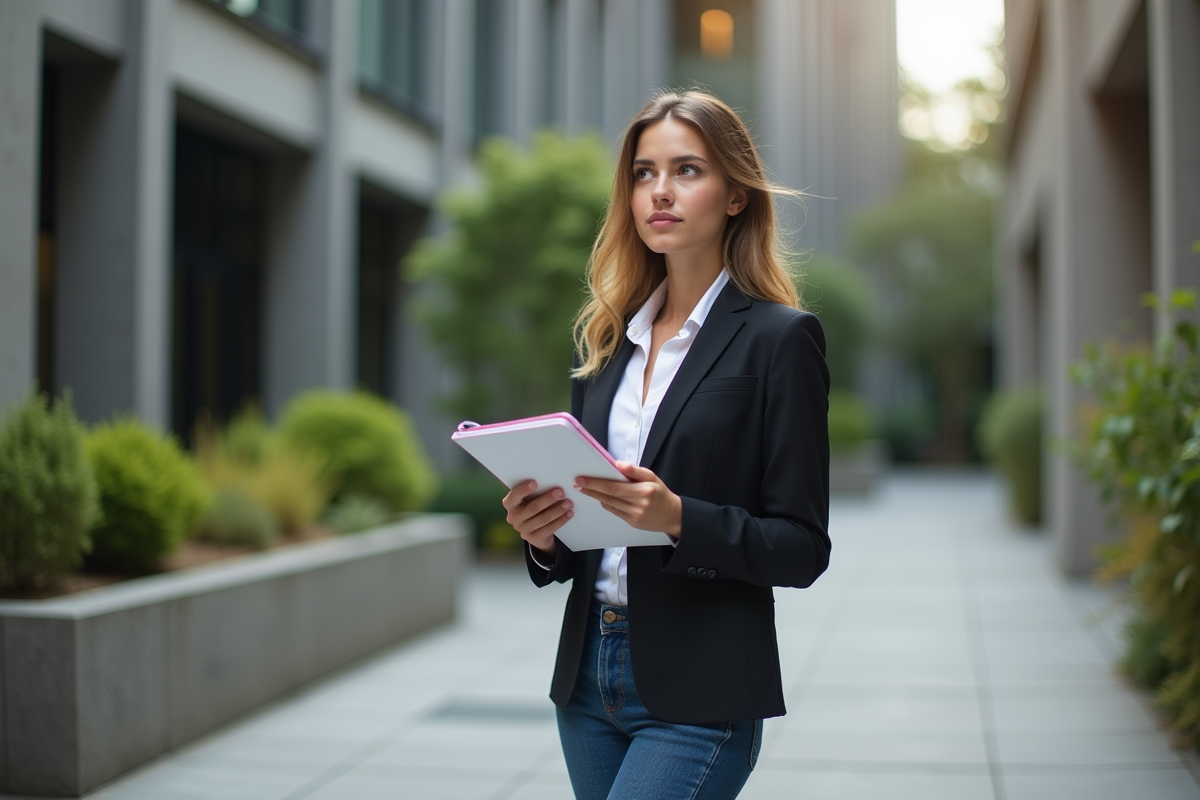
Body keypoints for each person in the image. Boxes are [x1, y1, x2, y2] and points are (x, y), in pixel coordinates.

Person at [502, 89, 830, 800]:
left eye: (687, 170)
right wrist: (544, 537)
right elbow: (586, 532)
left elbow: (803, 547)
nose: (660, 192)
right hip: (588, 678)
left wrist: (677, 519)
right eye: (644, 173)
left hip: (701, 687)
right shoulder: (608, 341)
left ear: (735, 195)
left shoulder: (780, 340)